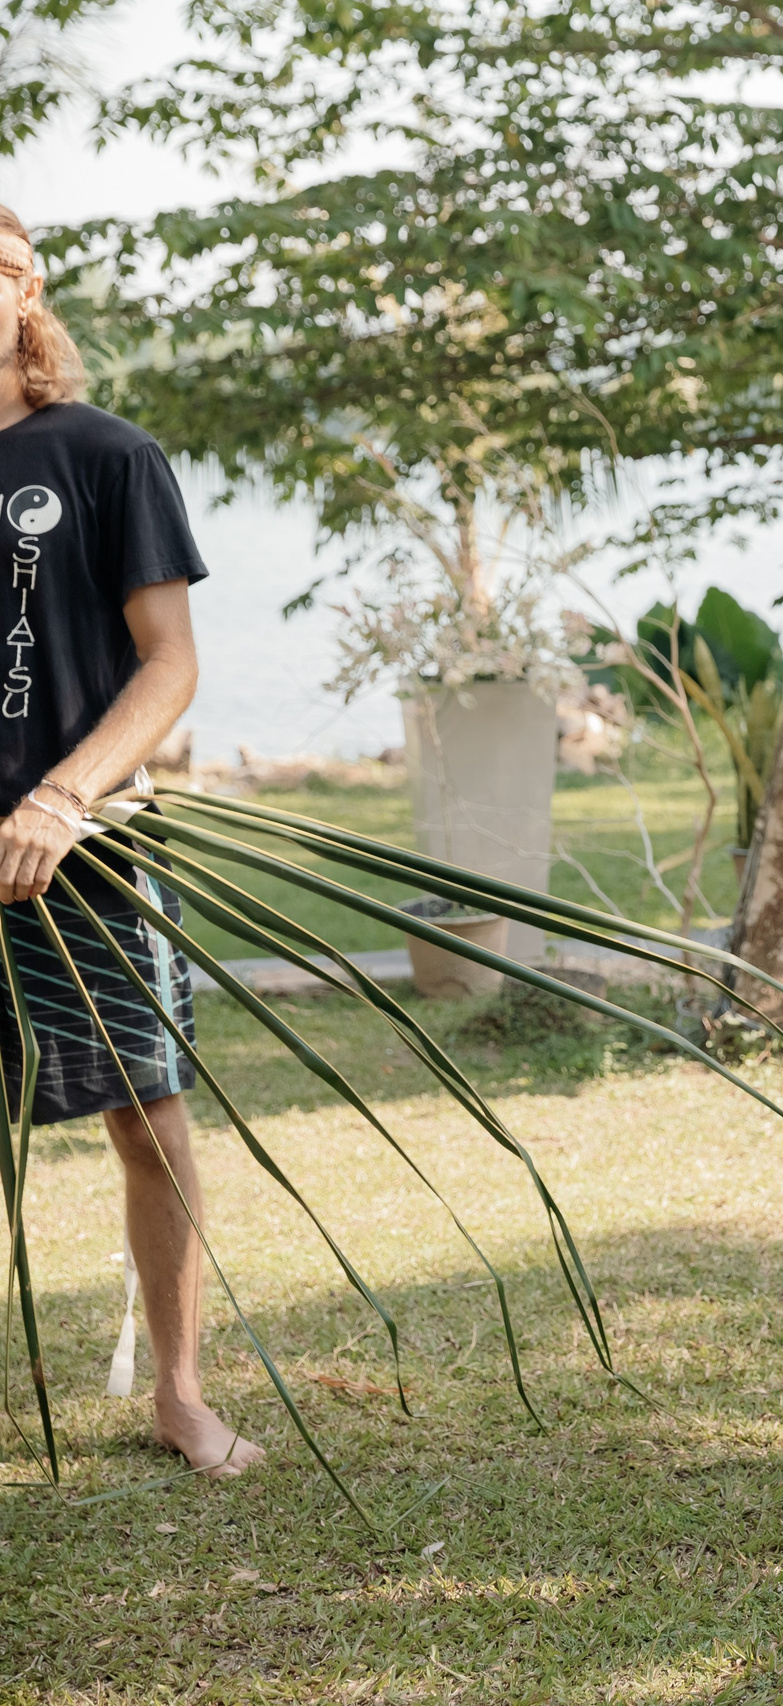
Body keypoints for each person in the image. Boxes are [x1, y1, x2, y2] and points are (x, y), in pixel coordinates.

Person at [0, 206, 251, 1476]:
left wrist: (63, 797)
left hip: (87, 850)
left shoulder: (106, 454)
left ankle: (181, 1391)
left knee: (147, 1118)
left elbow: (169, 664)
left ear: (24, 286)